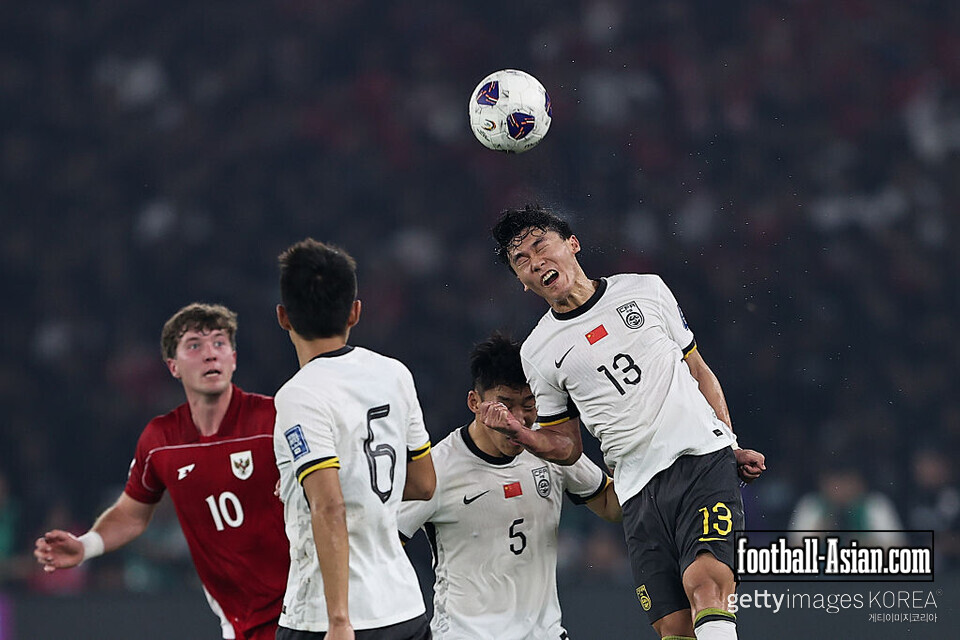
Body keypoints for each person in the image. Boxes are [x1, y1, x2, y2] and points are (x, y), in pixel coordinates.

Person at [488, 206, 766, 640]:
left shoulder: (645, 291)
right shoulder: (538, 352)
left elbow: (699, 370)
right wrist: (524, 436)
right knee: (674, 627)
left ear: (572, 244)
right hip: (636, 489)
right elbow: (567, 445)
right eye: (520, 260)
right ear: (522, 282)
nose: (535, 261)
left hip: (700, 459)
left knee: (706, 585)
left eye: (541, 245)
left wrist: (729, 443)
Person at [34, 303, 288, 640]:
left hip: (305, 613)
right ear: (173, 366)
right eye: (195, 345)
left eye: (220, 343)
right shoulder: (161, 440)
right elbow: (132, 514)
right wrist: (86, 546)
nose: (210, 354)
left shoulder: (275, 419)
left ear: (234, 359)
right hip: (239, 624)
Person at [398, 332, 621, 640]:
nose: (517, 419)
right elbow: (384, 545)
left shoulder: (550, 449)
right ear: (474, 402)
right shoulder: (438, 468)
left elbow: (613, 507)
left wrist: (629, 456)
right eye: (505, 404)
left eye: (529, 405)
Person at [273, 238, 436, 640]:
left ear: (283, 317)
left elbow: (329, 507)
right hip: (403, 607)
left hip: (329, 618)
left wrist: (339, 621)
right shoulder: (395, 374)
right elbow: (424, 483)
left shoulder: (299, 394)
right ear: (355, 312)